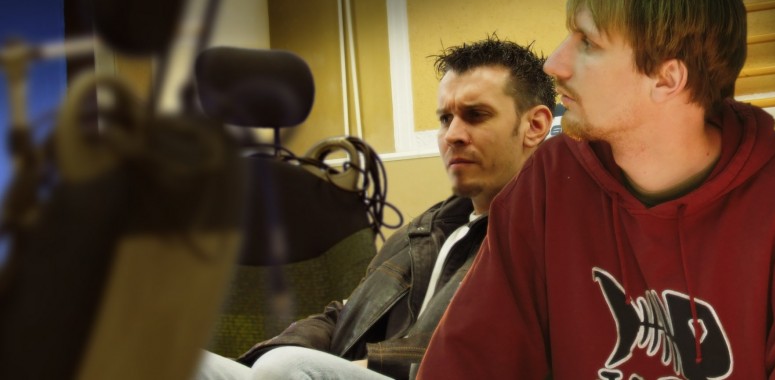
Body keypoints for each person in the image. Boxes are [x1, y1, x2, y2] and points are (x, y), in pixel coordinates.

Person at [417, 0, 775, 379]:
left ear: (666, 79)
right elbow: (466, 362)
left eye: (588, 43)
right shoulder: (549, 181)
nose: (555, 64)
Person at [194, 35, 555, 380]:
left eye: (476, 115)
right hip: (335, 370)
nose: (452, 135)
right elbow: (345, 313)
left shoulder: (543, 235)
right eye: (446, 119)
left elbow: (489, 351)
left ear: (535, 126)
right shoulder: (428, 228)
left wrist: (369, 364)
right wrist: (269, 358)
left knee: (286, 369)